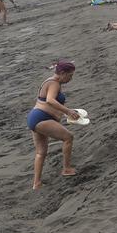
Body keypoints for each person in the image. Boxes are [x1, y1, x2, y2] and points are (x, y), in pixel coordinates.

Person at [27, 61, 80, 189]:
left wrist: (64, 113)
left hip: (35, 118)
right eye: (69, 76)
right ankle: (66, 169)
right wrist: (67, 111)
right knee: (68, 137)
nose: (70, 79)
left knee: (41, 152)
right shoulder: (54, 83)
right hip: (42, 118)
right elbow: (50, 100)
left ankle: (37, 183)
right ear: (62, 73)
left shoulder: (49, 81)